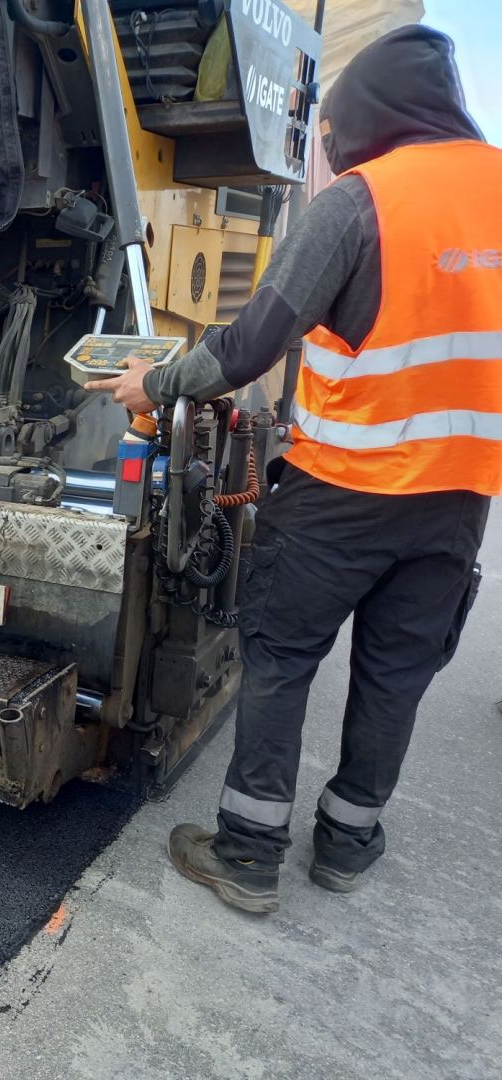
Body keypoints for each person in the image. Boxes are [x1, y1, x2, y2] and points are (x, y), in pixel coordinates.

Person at [86, 25, 497, 913]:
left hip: (344, 493)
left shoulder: (362, 202)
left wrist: (152, 381)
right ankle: (348, 842)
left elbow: (250, 343)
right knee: (396, 675)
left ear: (367, 118)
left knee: (280, 659)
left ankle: (248, 853)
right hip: (459, 504)